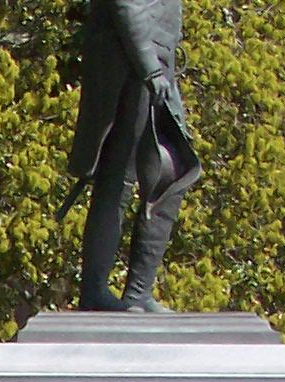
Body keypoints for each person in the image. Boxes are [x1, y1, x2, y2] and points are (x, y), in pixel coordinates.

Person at [68, 0, 200, 313]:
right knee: (117, 181)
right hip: (134, 67)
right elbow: (125, 5)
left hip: (154, 66)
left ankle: (138, 292)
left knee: (172, 175)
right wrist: (149, 67)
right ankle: (96, 291)